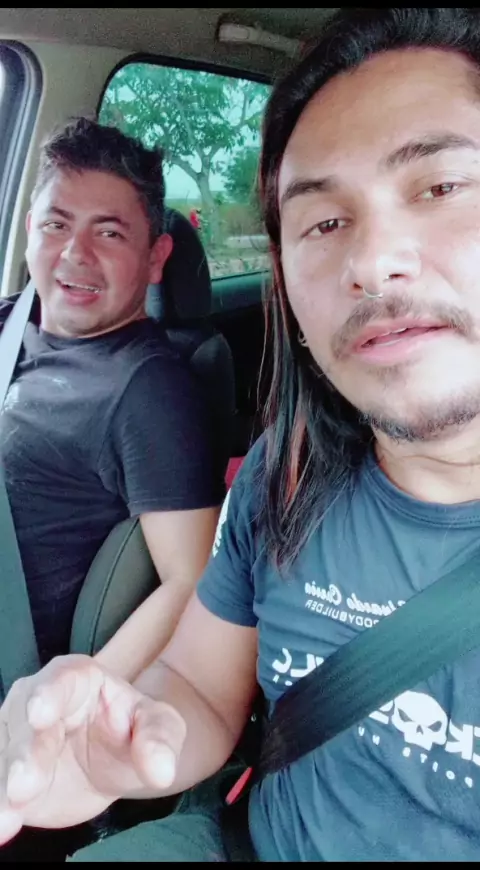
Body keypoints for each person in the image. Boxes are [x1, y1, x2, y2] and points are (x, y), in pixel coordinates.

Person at [2, 6, 480, 862]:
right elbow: (196, 684)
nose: (373, 263)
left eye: (441, 187)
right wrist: (122, 737)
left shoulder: (146, 390)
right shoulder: (284, 472)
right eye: (323, 223)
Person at [0, 117, 224, 680]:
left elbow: (191, 581)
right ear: (29, 229)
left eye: (109, 234)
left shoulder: (148, 390)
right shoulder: (9, 322)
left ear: (155, 257)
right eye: (56, 224)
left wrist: (75, 701)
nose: (74, 253)